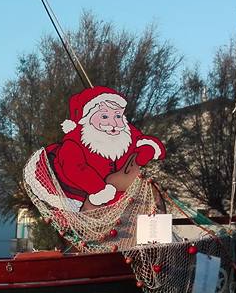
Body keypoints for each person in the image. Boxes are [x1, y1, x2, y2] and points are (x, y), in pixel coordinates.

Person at [26, 86, 165, 211]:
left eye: (117, 115)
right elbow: (73, 168)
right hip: (78, 189)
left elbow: (141, 140)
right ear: (88, 118)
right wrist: (98, 189)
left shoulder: (126, 133)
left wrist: (147, 149)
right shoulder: (75, 140)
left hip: (114, 188)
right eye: (104, 116)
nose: (113, 123)